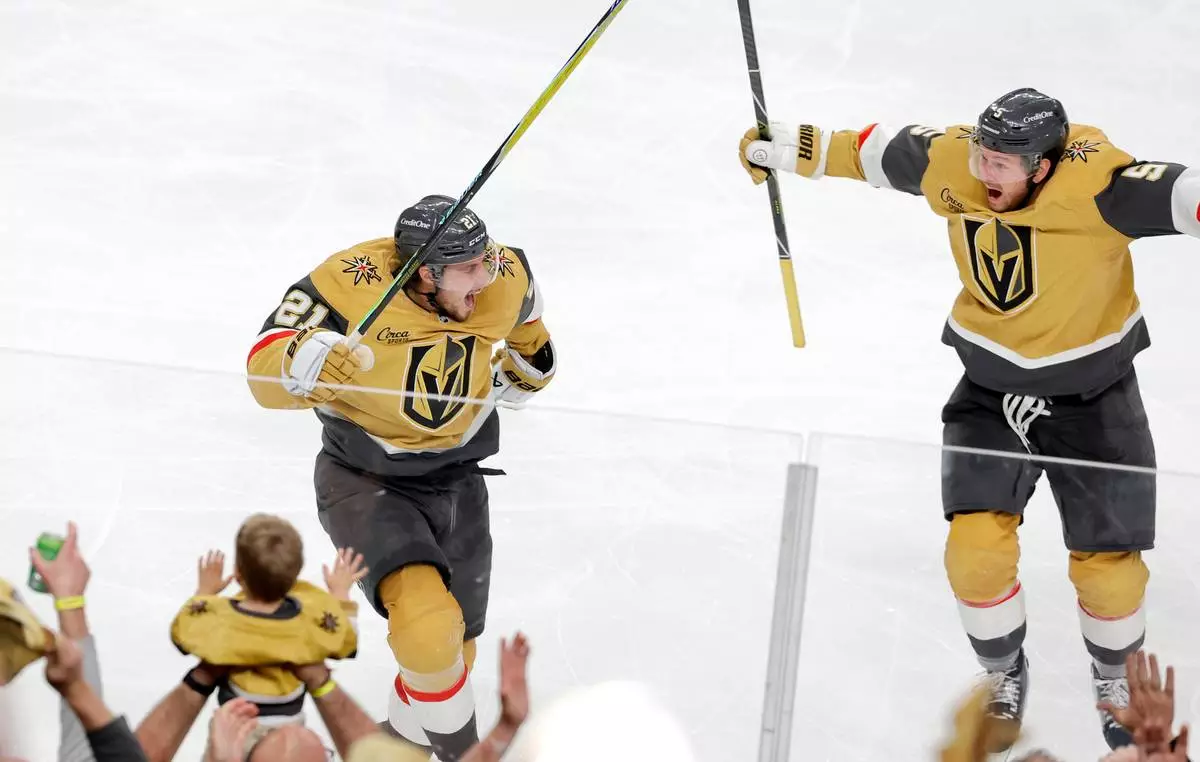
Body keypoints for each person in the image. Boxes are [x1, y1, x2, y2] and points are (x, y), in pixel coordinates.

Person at [739, 88, 1200, 751]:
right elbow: (874, 153)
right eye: (984, 156)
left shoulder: (1101, 187)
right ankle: (1003, 671)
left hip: (1095, 398)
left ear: (1043, 167)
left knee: (1110, 571)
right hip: (991, 391)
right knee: (974, 552)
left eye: (1003, 164)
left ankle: (1113, 676)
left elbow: (1183, 196)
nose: (986, 173)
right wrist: (790, 146)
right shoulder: (957, 161)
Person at [246, 194, 555, 761]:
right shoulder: (346, 284)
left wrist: (527, 369)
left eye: (485, 259)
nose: (484, 277)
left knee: (451, 656)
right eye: (468, 267)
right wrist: (308, 361)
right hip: (366, 479)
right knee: (427, 632)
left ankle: (396, 750)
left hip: (458, 480)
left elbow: (531, 340)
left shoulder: (505, 275)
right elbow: (262, 370)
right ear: (425, 273)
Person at [169, 514, 362, 724]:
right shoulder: (310, 619)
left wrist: (204, 592)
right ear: (296, 573)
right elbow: (347, 642)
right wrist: (340, 594)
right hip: (289, 727)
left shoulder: (221, 618)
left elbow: (184, 629)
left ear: (238, 573)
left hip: (232, 728)